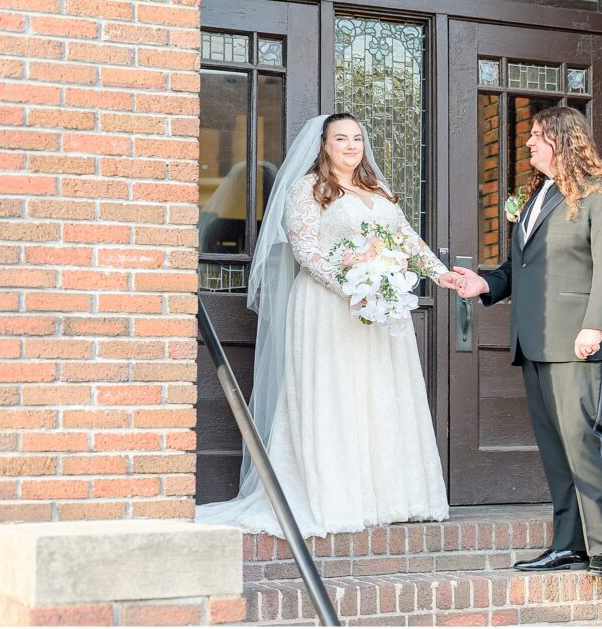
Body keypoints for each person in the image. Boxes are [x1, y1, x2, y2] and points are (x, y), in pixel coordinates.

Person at [196, 113, 461, 536]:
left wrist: (439, 273)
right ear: (324, 144)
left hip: (379, 309)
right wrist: (352, 286)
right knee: (334, 391)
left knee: (378, 392)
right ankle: (334, 497)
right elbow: (305, 249)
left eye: (357, 138)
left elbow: (407, 239)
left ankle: (390, 496)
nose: (352, 146)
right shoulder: (307, 189)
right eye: (341, 138)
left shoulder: (379, 190)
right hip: (328, 305)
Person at [453, 106, 602, 579]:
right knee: (555, 447)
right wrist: (485, 285)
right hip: (534, 340)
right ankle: (567, 544)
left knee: (581, 439)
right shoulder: (538, 197)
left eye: (537, 136)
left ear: (563, 139)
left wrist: (595, 325)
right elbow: (523, 268)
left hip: (578, 338)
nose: (529, 143)